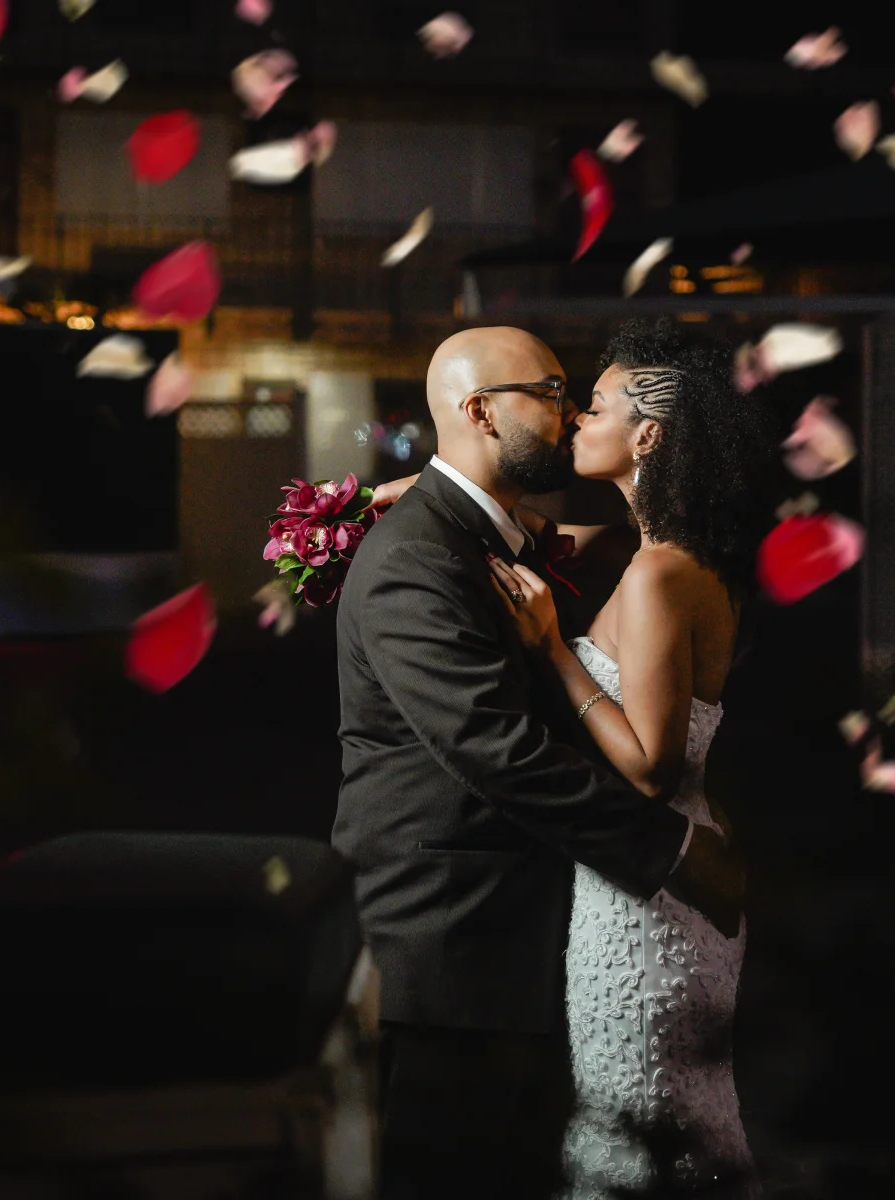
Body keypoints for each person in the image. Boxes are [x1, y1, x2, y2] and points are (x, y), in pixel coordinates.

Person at [333, 325, 745, 1200]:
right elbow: (499, 752)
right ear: (481, 412)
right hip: (453, 952)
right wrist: (672, 852)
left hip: (539, 938)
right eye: (554, 393)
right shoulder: (418, 557)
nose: (570, 414)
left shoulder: (519, 543)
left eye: (583, 398)